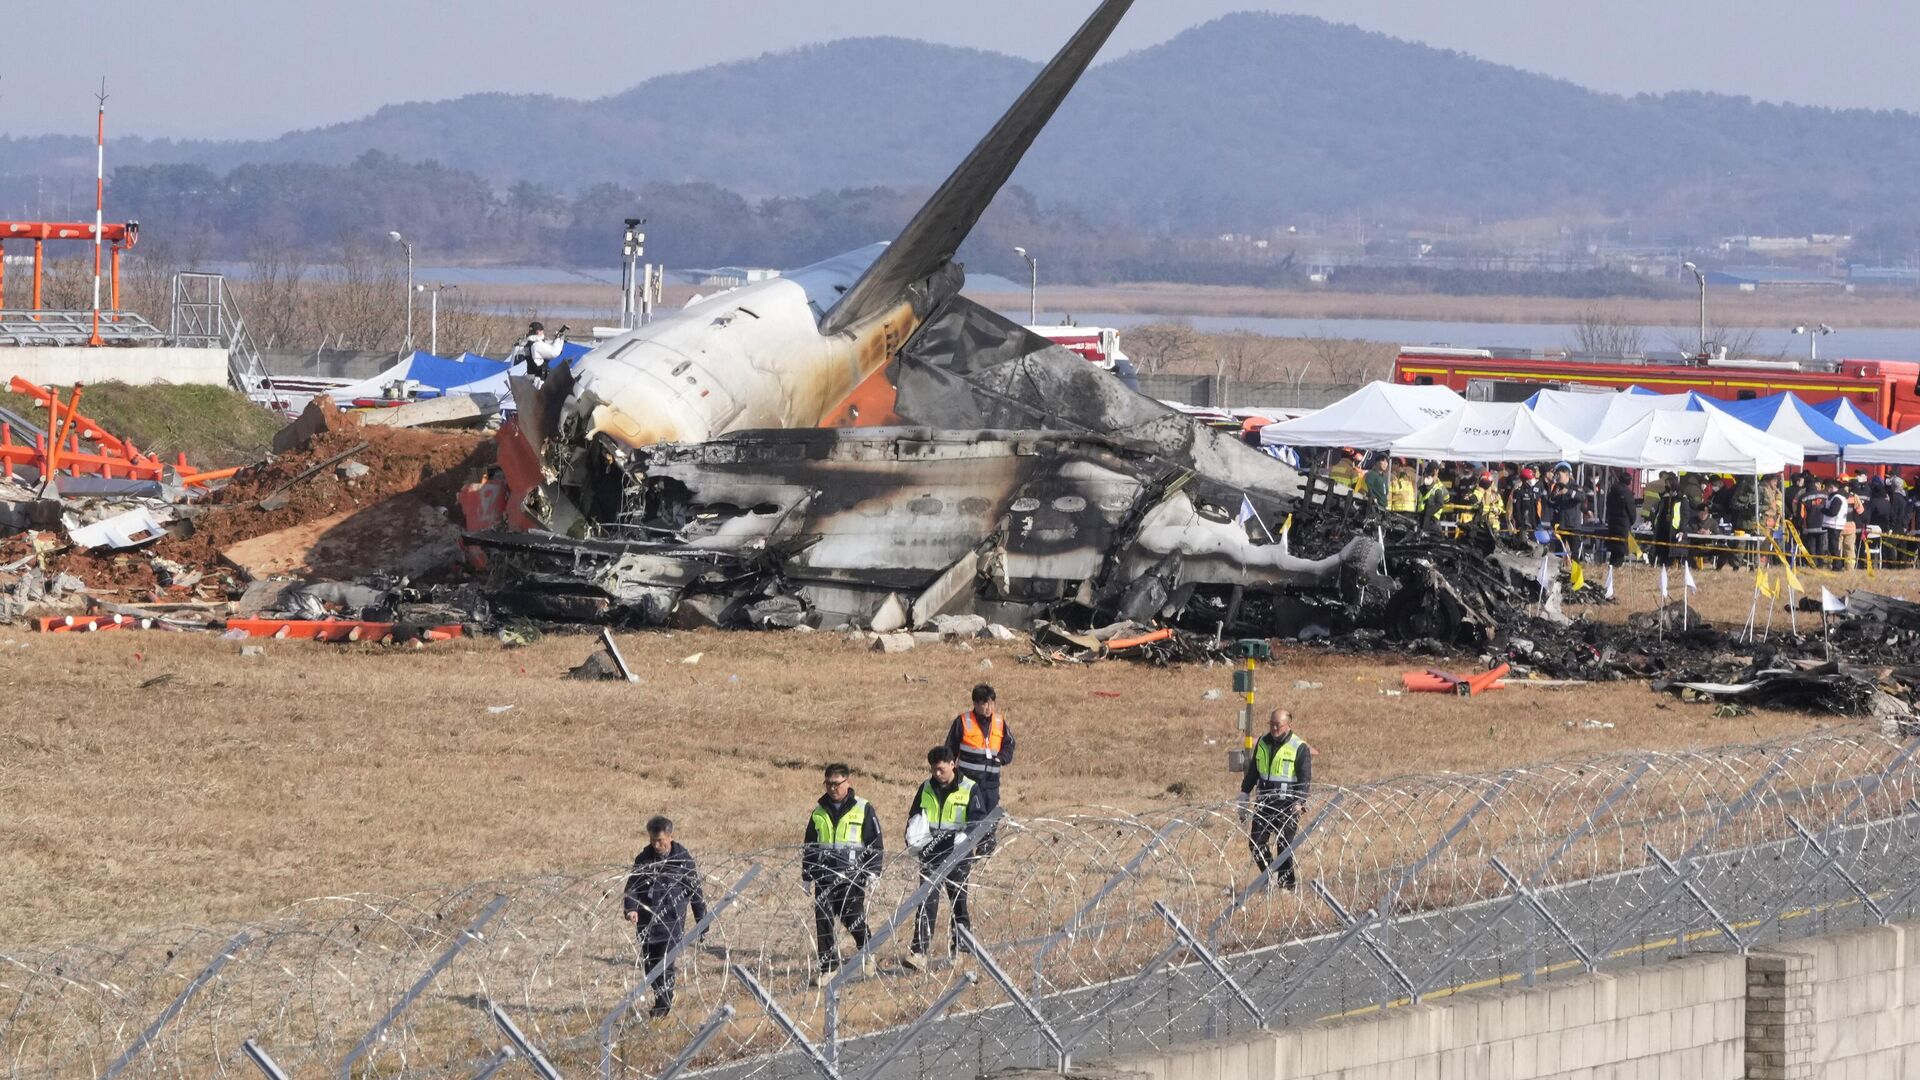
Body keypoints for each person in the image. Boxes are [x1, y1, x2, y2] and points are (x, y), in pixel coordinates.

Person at [803, 763, 884, 985]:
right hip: (825, 876)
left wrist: (873, 871)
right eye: (828, 784)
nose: (832, 788)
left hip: (851, 876)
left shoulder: (863, 808)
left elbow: (874, 843)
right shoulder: (819, 812)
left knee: (852, 917)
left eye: (836, 784)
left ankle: (867, 950)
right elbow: (810, 845)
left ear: (847, 782)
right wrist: (806, 875)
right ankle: (828, 968)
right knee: (823, 921)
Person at [624, 816, 710, 1018]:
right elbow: (632, 888)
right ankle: (662, 995)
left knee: (665, 964)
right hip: (647, 923)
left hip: (672, 922)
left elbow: (695, 892)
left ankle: (663, 1006)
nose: (656, 844)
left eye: (660, 840)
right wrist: (631, 909)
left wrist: (702, 922)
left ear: (670, 837)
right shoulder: (643, 859)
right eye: (652, 840)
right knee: (650, 965)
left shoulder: (682, 860)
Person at [902, 747, 978, 971]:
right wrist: (913, 839)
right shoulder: (925, 788)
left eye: (941, 769)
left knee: (958, 903)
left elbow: (977, 822)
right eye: (934, 769)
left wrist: (964, 841)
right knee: (926, 901)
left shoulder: (969, 788)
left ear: (952, 764)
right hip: (931, 852)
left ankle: (961, 950)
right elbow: (915, 816)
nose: (937, 774)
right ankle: (919, 952)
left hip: (958, 853)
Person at [1238, 709, 1312, 889]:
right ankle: (1269, 875)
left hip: (1287, 804)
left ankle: (1287, 886)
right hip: (1264, 803)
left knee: (1283, 846)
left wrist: (1299, 801)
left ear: (1288, 725)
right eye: (1271, 723)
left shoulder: (1299, 747)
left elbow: (1304, 778)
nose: (1273, 728)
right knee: (1256, 842)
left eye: (1277, 725)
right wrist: (1244, 793)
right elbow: (1254, 771)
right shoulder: (1263, 742)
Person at [944, 684, 1015, 822]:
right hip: (968, 784)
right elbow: (949, 751)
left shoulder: (1000, 722)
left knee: (989, 826)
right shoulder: (963, 721)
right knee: (968, 825)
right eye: (985, 704)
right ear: (975, 704)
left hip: (991, 785)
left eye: (992, 703)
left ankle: (988, 844)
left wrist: (1002, 758)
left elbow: (1009, 744)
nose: (989, 708)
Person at [1604, 471, 1636, 567]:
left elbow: (1608, 507)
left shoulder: (1611, 492)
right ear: (1629, 482)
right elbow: (1632, 512)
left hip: (1612, 525)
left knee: (1615, 552)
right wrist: (1630, 521)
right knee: (1620, 553)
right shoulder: (1627, 494)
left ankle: (1612, 570)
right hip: (1623, 527)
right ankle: (1615, 571)